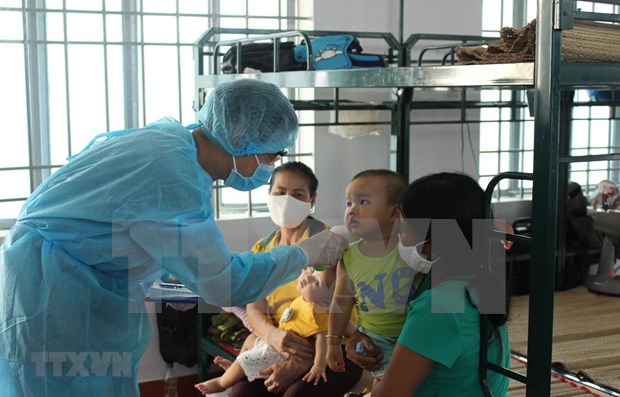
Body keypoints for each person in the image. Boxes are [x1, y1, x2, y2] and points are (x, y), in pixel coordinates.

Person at [0, 79, 348, 396]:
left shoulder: (169, 146)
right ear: (242, 141)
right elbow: (227, 282)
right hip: (56, 299)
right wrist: (307, 252)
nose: (272, 165)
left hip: (55, 281)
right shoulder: (173, 177)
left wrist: (173, 277)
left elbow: (117, 232)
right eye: (273, 155)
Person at [367, 172, 511, 397]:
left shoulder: (439, 306)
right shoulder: (480, 280)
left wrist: (377, 386)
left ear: (433, 240)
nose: (398, 230)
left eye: (404, 225)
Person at [227, 161, 363, 397]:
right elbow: (255, 310)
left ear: (312, 200)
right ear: (269, 195)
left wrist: (300, 359)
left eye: (298, 194)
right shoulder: (262, 249)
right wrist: (274, 337)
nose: (287, 200)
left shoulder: (328, 243)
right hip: (281, 346)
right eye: (280, 193)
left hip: (331, 348)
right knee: (240, 394)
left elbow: (331, 309)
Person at [327, 169, 420, 384]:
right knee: (385, 385)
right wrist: (333, 342)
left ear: (394, 213)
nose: (352, 211)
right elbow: (340, 302)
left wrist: (492, 227)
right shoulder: (349, 256)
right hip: (374, 339)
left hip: (414, 335)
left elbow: (455, 227)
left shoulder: (410, 246)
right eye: (349, 204)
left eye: (364, 202)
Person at [195, 267, 336, 395]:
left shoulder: (319, 313)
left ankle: (222, 382)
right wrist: (272, 334)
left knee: (247, 360)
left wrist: (318, 364)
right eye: (311, 270)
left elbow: (323, 340)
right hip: (275, 340)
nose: (307, 276)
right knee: (250, 340)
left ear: (326, 301)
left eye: (316, 283)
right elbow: (254, 309)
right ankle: (237, 368)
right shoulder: (303, 299)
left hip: (287, 351)